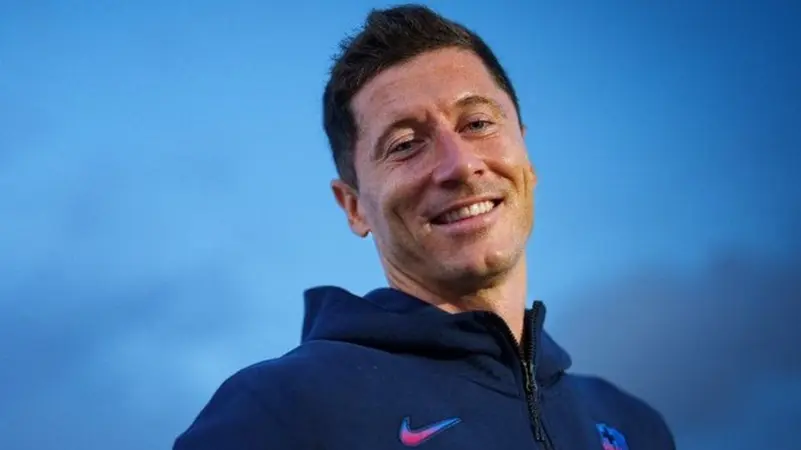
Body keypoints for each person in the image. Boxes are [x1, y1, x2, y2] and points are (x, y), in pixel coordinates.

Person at [173, 5, 675, 449]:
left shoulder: (632, 425)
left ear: (525, 151)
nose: (460, 164)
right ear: (354, 207)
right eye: (406, 144)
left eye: (477, 123)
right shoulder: (278, 410)